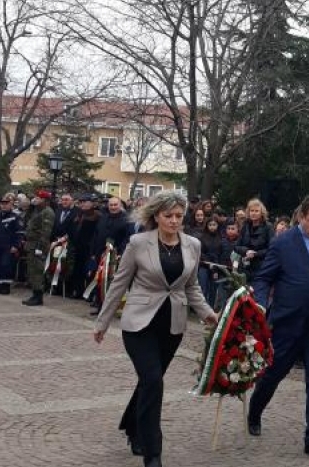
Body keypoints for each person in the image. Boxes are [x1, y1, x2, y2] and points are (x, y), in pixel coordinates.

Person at [93, 192, 218, 467]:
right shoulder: (138, 243)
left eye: (178, 216)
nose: (174, 221)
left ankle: (132, 426)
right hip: (138, 324)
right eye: (168, 216)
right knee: (153, 381)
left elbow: (191, 287)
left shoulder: (193, 245)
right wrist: (103, 321)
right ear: (156, 216)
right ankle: (153, 453)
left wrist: (208, 313)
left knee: (149, 382)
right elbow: (119, 283)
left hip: (171, 326)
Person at [247, 195, 309, 463]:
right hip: (287, 324)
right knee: (273, 374)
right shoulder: (283, 243)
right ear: (302, 217)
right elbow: (264, 277)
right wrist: (260, 307)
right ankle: (255, 411)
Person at [22, 191, 55, 306]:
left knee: (37, 271)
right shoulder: (36, 210)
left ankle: (38, 296)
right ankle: (35, 294)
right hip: (31, 244)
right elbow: (28, 222)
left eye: (38, 198)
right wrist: (31, 207)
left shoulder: (48, 212)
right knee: (32, 270)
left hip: (38, 245)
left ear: (45, 200)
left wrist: (40, 247)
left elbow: (46, 232)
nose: (35, 199)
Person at [235, 198, 274, 283]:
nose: (254, 213)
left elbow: (271, 249)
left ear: (261, 213)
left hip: (261, 267)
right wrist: (246, 251)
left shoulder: (268, 227)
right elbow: (236, 246)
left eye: (256, 211)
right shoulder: (245, 226)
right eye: (252, 210)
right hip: (244, 267)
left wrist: (256, 254)